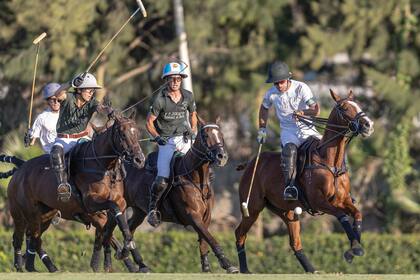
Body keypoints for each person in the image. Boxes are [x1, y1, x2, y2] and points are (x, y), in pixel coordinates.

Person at [257, 61, 321, 200]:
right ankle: (290, 187)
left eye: (281, 82)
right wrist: (262, 129)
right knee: (289, 150)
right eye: (275, 83)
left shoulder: (301, 88)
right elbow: (264, 108)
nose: (279, 86)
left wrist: (303, 113)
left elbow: (316, 110)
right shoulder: (271, 94)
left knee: (327, 147)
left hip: (307, 128)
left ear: (288, 79)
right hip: (288, 131)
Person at [145, 62, 197, 227]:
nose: (175, 81)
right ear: (166, 80)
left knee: (200, 165)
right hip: (166, 141)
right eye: (172, 79)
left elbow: (193, 114)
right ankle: (153, 209)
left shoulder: (188, 96)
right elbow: (149, 122)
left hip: (185, 138)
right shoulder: (160, 100)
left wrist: (193, 129)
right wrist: (157, 137)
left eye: (178, 78)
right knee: (162, 179)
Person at [49, 72, 110, 202]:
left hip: (82, 139)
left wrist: (110, 110)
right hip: (64, 139)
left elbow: (101, 108)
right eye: (89, 90)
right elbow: (58, 94)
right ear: (80, 89)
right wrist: (71, 83)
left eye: (93, 91)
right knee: (55, 153)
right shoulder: (69, 97)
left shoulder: (92, 102)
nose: (91, 93)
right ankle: (63, 186)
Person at [24, 83, 62, 153]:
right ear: (47, 101)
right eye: (53, 100)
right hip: (52, 153)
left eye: (59, 99)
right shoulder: (42, 117)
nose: (56, 102)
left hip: (68, 149)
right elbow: (32, 140)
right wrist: (29, 139)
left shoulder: (67, 112)